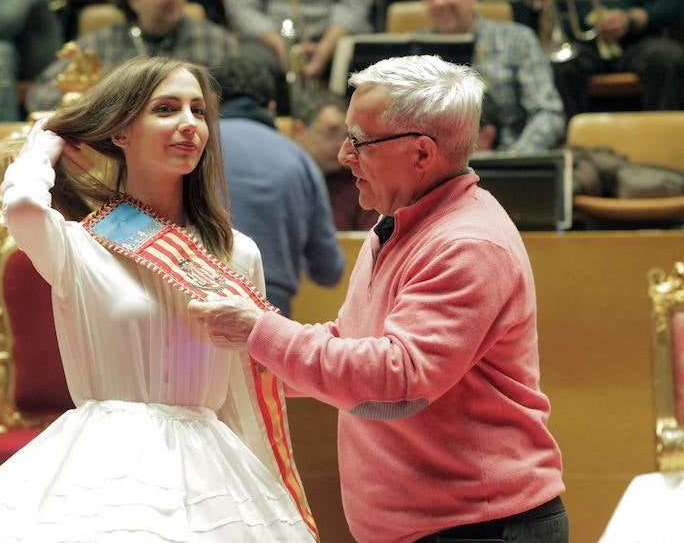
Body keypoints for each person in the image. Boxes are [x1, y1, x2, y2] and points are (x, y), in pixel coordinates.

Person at [189, 55, 568, 543]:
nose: (344, 154)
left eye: (360, 140)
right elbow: (351, 344)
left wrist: (260, 332)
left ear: (422, 154)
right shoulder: (400, 221)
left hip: (480, 527)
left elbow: (396, 382)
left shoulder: (467, 243)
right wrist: (242, 354)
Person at [0, 56, 318, 542]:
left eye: (198, 111)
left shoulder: (236, 252)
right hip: (102, 462)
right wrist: (44, 145)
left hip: (210, 468)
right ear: (120, 132)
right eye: (165, 109)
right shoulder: (76, 245)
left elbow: (241, 389)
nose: (188, 124)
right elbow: (21, 206)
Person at [25, 0, 239, 114]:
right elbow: (39, 96)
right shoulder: (101, 43)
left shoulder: (217, 42)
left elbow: (245, 100)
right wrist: (99, 100)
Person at [215, 55, 344, 317]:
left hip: (192, 292)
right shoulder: (300, 160)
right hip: (270, 309)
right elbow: (329, 270)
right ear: (272, 106)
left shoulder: (192, 145)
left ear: (212, 101)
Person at [419, 0, 566, 153]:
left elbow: (548, 113)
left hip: (508, 160)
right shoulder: (416, 53)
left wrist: (512, 161)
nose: (438, 1)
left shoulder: (518, 39)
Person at [222, 0, 374, 113]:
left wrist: (325, 48)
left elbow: (354, 4)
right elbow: (241, 6)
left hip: (334, 33)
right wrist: (280, 45)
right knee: (246, 66)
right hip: (270, 37)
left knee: (373, 63)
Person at [551, 0, 684, 117]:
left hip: (639, 39)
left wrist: (636, 18)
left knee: (669, 58)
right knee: (558, 64)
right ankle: (573, 139)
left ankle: (661, 139)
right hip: (582, 43)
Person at [291, 89, 379, 231]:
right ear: (299, 130)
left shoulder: (359, 183)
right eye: (331, 132)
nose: (341, 145)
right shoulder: (283, 179)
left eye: (347, 135)